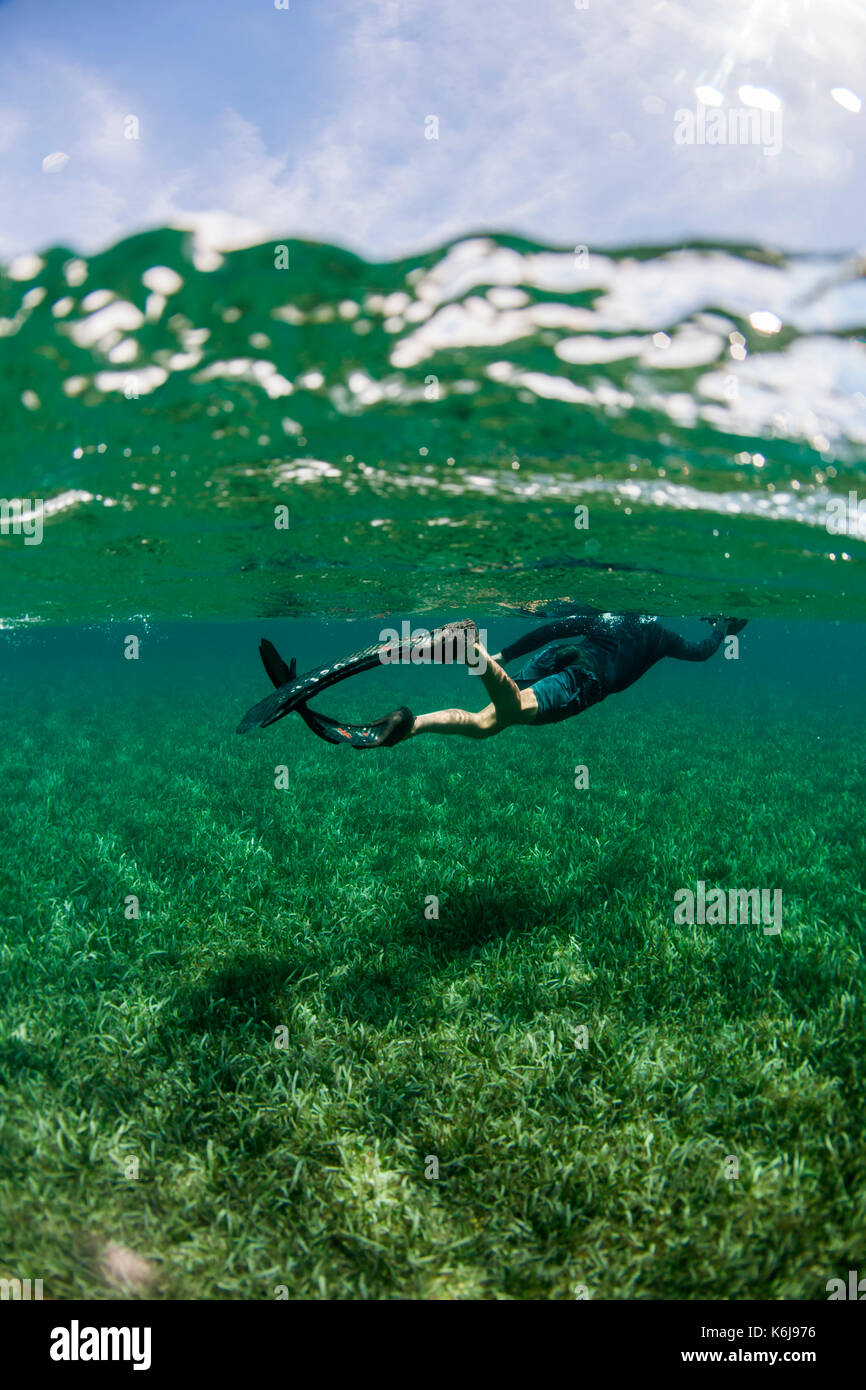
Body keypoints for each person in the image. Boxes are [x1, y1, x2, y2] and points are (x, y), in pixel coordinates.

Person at [399, 611, 747, 745]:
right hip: (585, 679)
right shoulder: (660, 635)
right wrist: (721, 630)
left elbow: (552, 630)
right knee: (512, 710)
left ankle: (412, 725)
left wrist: (508, 653)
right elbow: (701, 651)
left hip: (558, 655)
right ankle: (471, 651)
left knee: (487, 724)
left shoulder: (607, 615)